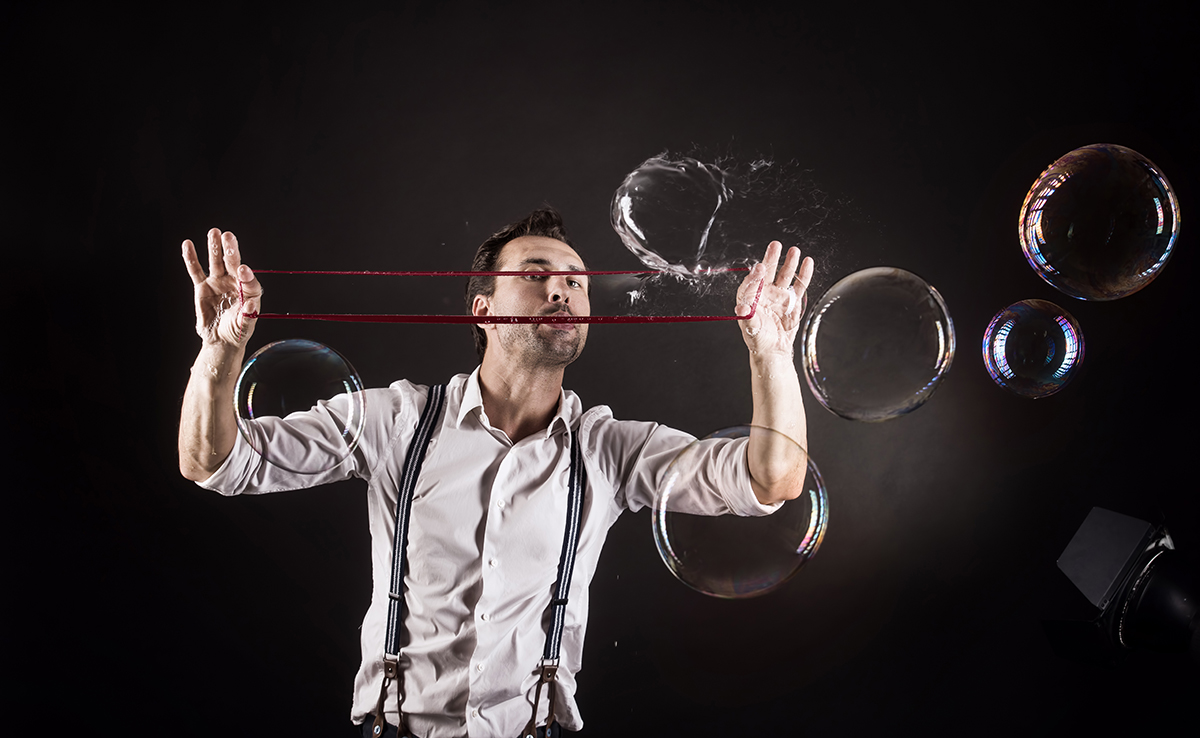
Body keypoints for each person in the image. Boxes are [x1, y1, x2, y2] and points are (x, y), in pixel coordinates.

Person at [178, 208, 815, 738]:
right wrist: (219, 351)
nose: (562, 291)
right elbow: (215, 462)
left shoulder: (611, 449)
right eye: (536, 275)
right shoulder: (395, 420)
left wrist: (771, 352)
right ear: (483, 310)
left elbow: (772, 480)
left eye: (577, 282)